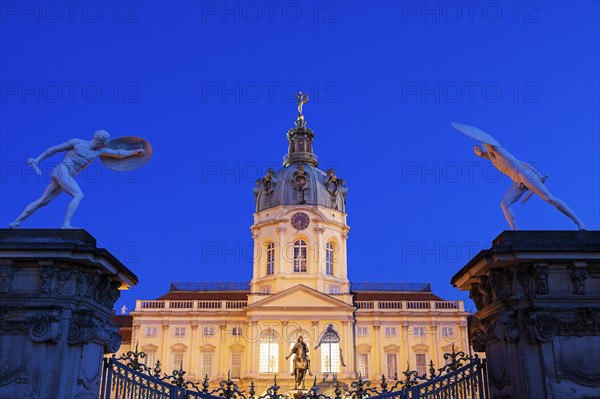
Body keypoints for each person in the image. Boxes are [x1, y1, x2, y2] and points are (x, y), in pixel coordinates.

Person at [9, 130, 144, 229]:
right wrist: (37, 159)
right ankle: (65, 225)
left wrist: (135, 151)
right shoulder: (77, 142)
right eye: (104, 142)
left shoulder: (99, 151)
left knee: (43, 201)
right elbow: (54, 149)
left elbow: (118, 153)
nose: (105, 144)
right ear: (100, 140)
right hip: (61, 170)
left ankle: (16, 222)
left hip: (67, 176)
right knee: (78, 195)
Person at [473, 143, 585, 230]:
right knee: (504, 204)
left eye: (478, 147)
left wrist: (537, 175)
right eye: (475, 150)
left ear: (485, 146)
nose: (477, 149)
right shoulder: (493, 161)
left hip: (525, 175)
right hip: (517, 181)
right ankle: (515, 231)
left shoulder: (496, 150)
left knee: (548, 198)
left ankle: (578, 222)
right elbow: (521, 163)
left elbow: (488, 141)